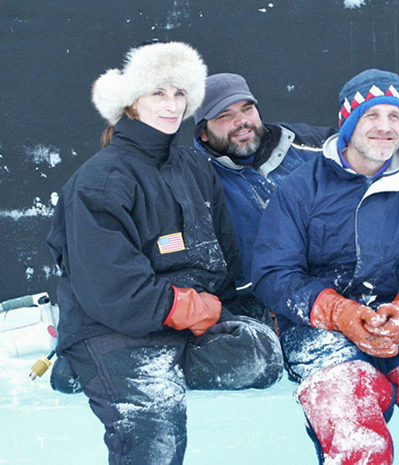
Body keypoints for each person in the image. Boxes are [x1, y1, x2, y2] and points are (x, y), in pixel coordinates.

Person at [46, 41, 282, 464]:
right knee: (157, 428)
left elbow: (222, 254)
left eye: (179, 93)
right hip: (114, 324)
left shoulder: (194, 166)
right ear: (132, 102)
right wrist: (187, 310)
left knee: (260, 355)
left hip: (182, 321)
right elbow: (111, 287)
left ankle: (104, 371)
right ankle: (92, 364)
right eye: (158, 93)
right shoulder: (100, 181)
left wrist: (221, 308)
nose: (172, 105)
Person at [252, 69, 399, 464]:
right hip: (321, 326)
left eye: (395, 117)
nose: (385, 128)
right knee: (350, 415)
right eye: (372, 116)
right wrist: (339, 311)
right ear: (349, 122)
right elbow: (273, 274)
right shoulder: (300, 187)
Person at [192, 73, 336, 324]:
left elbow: (373, 145)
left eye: (247, 109)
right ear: (203, 132)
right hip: (254, 310)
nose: (241, 121)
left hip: (334, 289)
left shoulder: (303, 144)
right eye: (224, 115)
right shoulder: (195, 178)